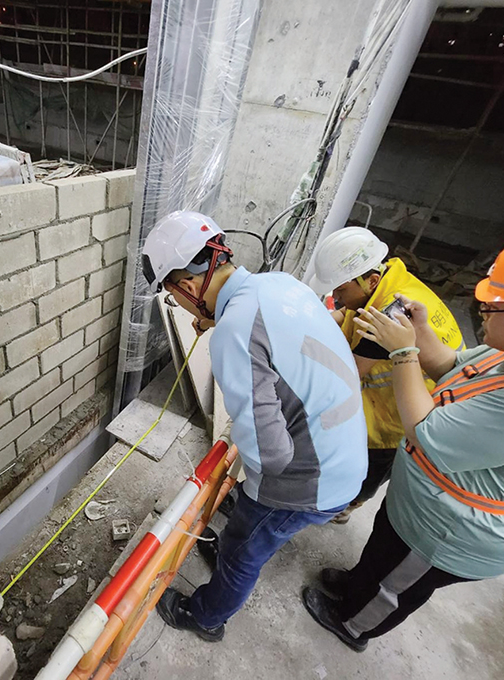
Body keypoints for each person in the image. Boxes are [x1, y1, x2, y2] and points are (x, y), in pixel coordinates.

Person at [302, 220, 504, 652]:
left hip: (448, 532)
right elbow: (453, 368)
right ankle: (356, 584)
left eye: (498, 306)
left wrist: (403, 352)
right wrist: (421, 333)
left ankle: (353, 624)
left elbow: (427, 434)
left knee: (397, 585)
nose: (482, 310)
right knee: (383, 553)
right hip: (417, 506)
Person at [141, 210, 368, 642]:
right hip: (343, 450)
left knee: (243, 550)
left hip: (308, 481)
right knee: (243, 517)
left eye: (174, 296)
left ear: (187, 287)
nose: (181, 305)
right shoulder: (278, 284)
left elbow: (270, 456)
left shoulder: (236, 332)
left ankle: (206, 616)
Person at [309, 227, 464, 523]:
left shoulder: (392, 313)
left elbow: (349, 374)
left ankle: (347, 506)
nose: (338, 299)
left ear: (371, 280)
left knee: (371, 463)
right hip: (412, 392)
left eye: (341, 291)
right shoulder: (389, 279)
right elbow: (349, 312)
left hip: (402, 411)